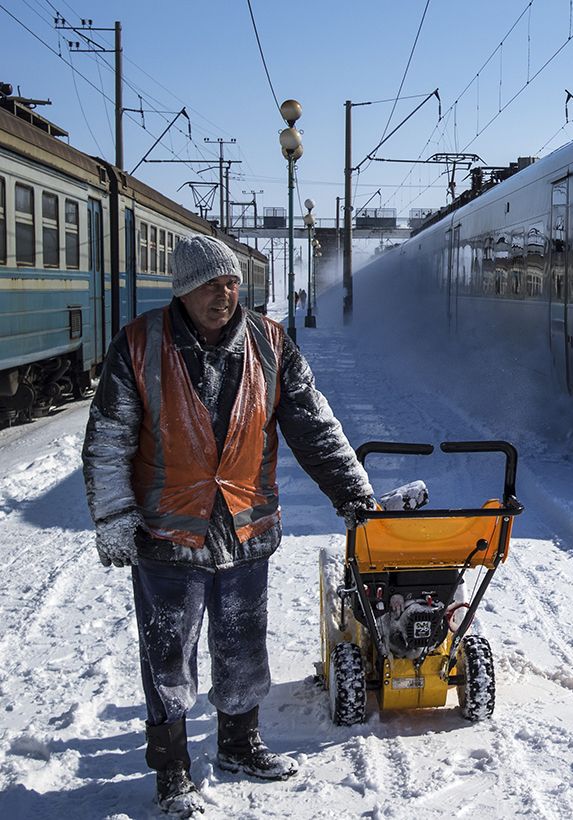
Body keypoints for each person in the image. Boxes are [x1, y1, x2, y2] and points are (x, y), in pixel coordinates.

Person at [82, 234, 374, 815]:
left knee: (242, 646)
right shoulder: (139, 344)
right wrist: (114, 513)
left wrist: (354, 494)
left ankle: (239, 744)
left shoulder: (270, 343)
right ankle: (172, 772)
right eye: (212, 284)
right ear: (184, 290)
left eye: (232, 282)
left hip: (245, 527)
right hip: (167, 533)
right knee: (168, 656)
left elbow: (312, 423)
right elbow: (110, 436)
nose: (225, 293)